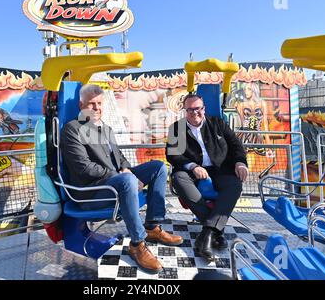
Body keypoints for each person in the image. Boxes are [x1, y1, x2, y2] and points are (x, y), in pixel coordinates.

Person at [61, 84, 183, 274]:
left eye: (99, 103)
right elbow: (84, 169)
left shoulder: (105, 128)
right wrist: (125, 177)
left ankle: (152, 226)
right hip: (90, 192)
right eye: (91, 104)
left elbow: (119, 158)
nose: (97, 108)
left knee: (157, 167)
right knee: (127, 181)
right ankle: (137, 243)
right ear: (81, 105)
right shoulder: (72, 129)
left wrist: (126, 169)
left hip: (114, 181)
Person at [166, 94, 249, 262]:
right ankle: (216, 230)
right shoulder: (177, 129)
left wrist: (240, 162)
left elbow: (236, 146)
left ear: (203, 109)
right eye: (190, 110)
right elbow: (173, 155)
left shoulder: (217, 124)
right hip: (192, 170)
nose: (194, 113)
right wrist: (193, 166)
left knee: (235, 185)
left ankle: (207, 234)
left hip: (219, 169)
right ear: (185, 111)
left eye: (198, 109)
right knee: (178, 179)